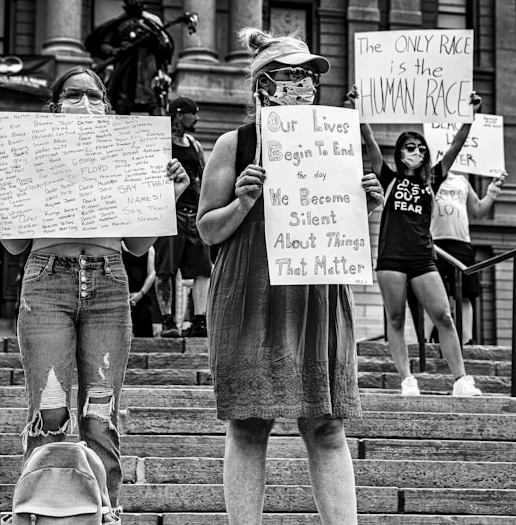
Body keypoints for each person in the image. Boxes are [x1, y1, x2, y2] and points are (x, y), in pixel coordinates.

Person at [0, 66, 190, 514]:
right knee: (48, 410)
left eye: (94, 96)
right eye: (74, 95)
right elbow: (14, 244)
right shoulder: (30, 152)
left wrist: (166, 196)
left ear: (107, 109)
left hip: (109, 281)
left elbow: (136, 245)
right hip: (47, 280)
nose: (85, 103)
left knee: (100, 416)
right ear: (55, 107)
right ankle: (40, 511)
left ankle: (102, 513)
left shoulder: (126, 155)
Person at [197, 28, 384, 524]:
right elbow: (207, 231)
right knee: (248, 424)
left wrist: (366, 203)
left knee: (327, 425)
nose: (303, 84)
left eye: (309, 76)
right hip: (250, 291)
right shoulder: (233, 145)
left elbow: (341, 223)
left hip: (317, 288)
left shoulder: (338, 142)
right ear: (262, 86)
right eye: (291, 76)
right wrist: (243, 202)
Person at [357, 97, 485, 398]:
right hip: (391, 257)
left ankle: (461, 379)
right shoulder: (388, 177)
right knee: (397, 319)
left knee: (443, 315)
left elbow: (456, 144)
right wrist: (358, 109)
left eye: (420, 148)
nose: (416, 152)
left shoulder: (433, 178)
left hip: (422, 257)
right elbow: (369, 139)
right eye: (410, 147)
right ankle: (407, 379)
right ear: (400, 152)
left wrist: (470, 114)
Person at [153, 96, 211, 338]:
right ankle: (168, 321)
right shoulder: (162, 144)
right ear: (178, 114)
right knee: (166, 269)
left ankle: (199, 320)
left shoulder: (195, 145)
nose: (196, 118)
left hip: (194, 214)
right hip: (170, 212)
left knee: (202, 270)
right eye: (193, 113)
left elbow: (204, 175)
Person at [427, 171, 506, 345]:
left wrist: (493, 190)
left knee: (464, 293)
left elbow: (478, 209)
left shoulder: (462, 181)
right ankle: (425, 340)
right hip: (434, 242)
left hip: (460, 242)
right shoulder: (427, 176)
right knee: (432, 293)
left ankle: (466, 339)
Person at [85, 0, 174, 115]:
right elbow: (104, 45)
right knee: (122, 103)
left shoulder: (152, 22)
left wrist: (154, 40)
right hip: (125, 69)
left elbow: (165, 47)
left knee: (153, 103)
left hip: (147, 69)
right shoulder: (119, 23)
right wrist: (115, 50)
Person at [123, 243, 159, 338]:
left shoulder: (149, 248)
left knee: (144, 334)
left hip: (141, 296)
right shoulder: (117, 247)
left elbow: (151, 273)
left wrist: (141, 293)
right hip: (122, 296)